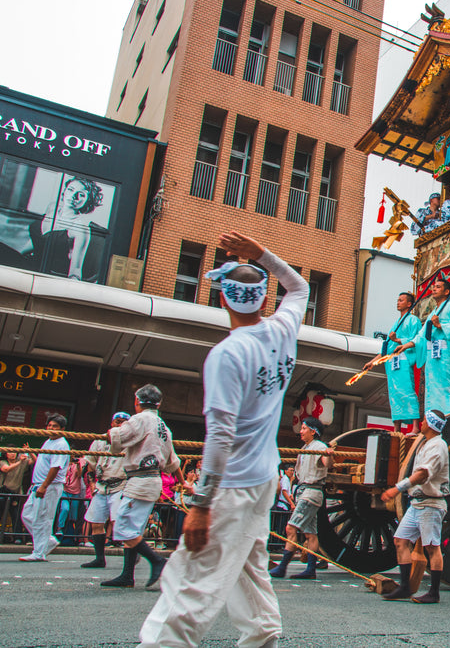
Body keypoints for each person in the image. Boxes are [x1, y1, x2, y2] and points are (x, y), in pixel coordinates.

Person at [139, 231, 307, 648]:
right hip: (264, 477)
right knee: (250, 568)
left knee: (192, 580)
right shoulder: (283, 330)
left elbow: (220, 437)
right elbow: (299, 286)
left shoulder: (227, 355)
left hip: (231, 485)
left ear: (223, 300)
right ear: (264, 301)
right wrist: (263, 254)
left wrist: (201, 504)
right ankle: (262, 637)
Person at [101, 384, 180, 588]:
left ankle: (157, 560)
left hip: (140, 480)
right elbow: (172, 462)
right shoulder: (163, 425)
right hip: (151, 479)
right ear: (159, 403)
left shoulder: (139, 419)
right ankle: (127, 575)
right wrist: (183, 483)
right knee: (132, 528)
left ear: (136, 402)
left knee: (124, 527)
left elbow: (118, 437)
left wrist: (111, 432)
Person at [380, 410, 450, 604]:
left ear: (432, 424)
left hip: (431, 503)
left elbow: (421, 475)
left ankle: (434, 592)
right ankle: (405, 587)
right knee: (400, 541)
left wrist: (397, 489)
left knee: (432, 548)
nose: (421, 422)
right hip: (417, 502)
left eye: (425, 420)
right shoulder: (425, 443)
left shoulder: (438, 446)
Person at [269, 417, 331, 580]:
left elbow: (326, 463)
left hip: (311, 491)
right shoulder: (305, 447)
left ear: (313, 431)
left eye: (304, 428)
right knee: (310, 534)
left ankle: (282, 567)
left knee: (290, 528)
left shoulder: (320, 447)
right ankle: (310, 569)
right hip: (306, 492)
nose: (301, 431)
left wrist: (330, 455)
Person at [395, 276, 450, 415]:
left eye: (438, 287)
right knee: (432, 386)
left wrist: (440, 325)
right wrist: (405, 345)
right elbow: (421, 335)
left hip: (443, 351)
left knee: (447, 382)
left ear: (447, 292)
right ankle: (434, 416)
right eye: (434, 287)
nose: (434, 289)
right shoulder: (433, 313)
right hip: (431, 354)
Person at [79, 411, 130, 568]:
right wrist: (92, 483)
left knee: (118, 521)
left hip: (120, 483)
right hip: (101, 484)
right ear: (112, 422)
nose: (119, 424)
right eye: (117, 421)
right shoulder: (100, 440)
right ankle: (99, 557)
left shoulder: (130, 441)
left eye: (123, 422)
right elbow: (90, 463)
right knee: (96, 522)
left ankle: (132, 553)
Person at [29, 176, 106, 281]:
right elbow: (38, 242)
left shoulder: (80, 228)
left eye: (81, 194)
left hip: (50, 277)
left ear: (88, 200)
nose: (74, 196)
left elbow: (76, 270)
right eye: (71, 190)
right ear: (64, 191)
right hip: (31, 267)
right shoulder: (52, 209)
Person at [18, 415, 70, 562]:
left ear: (62, 429)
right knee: (27, 515)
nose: (51, 428)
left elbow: (55, 468)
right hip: (38, 485)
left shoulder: (61, 444)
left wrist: (44, 486)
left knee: (43, 518)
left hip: (49, 486)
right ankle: (48, 540)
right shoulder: (48, 441)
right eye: (49, 425)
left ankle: (39, 552)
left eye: (54, 426)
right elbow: (43, 463)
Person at [368, 292, 422, 431]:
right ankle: (396, 427)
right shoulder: (395, 324)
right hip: (393, 362)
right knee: (394, 394)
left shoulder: (413, 320)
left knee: (407, 391)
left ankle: (415, 426)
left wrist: (398, 340)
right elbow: (387, 348)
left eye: (401, 300)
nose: (398, 302)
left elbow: (416, 339)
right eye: (397, 300)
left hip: (404, 359)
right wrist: (373, 362)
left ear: (409, 304)